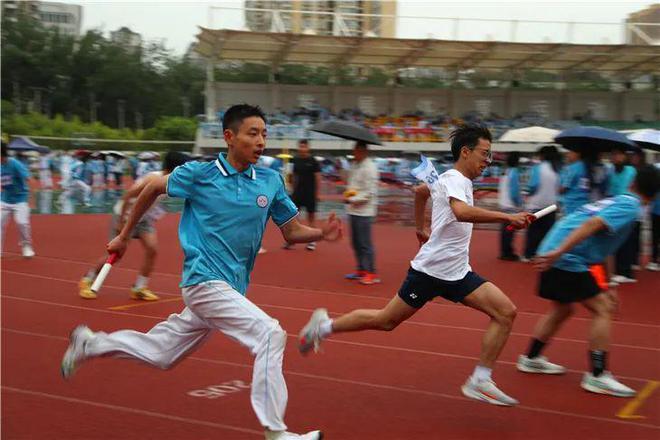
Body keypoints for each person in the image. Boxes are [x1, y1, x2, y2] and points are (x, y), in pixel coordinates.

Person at [61, 104, 340, 440]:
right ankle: (276, 432)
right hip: (204, 281)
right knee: (271, 334)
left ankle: (89, 344)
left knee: (162, 354)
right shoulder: (199, 174)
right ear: (229, 137)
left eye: (264, 134)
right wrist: (123, 235)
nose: (261, 141)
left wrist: (320, 233)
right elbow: (151, 187)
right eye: (253, 133)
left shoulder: (270, 180)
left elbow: (292, 231)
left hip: (230, 289)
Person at [299, 124, 532, 407]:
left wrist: (421, 226)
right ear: (466, 152)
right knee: (385, 321)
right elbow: (460, 212)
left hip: (457, 272)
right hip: (430, 272)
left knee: (506, 312)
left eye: (490, 156)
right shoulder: (455, 179)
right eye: (485, 154)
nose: (488, 161)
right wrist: (507, 218)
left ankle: (480, 379)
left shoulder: (451, 180)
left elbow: (421, 191)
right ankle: (323, 327)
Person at [517, 165, 659, 397]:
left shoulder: (620, 200)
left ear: (632, 184)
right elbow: (591, 225)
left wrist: (609, 284)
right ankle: (598, 375)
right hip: (564, 257)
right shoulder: (630, 207)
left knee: (562, 309)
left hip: (556, 251)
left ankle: (531, 358)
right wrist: (559, 253)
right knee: (602, 309)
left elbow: (605, 247)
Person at [78, 151, 190, 300]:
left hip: (143, 220)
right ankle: (88, 280)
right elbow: (128, 195)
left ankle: (139, 287)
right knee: (116, 254)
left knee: (152, 249)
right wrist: (121, 221)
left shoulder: (172, 181)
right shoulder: (153, 178)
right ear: (176, 167)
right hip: (125, 217)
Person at [344, 141, 380, 285]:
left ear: (363, 151)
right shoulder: (355, 165)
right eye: (353, 150)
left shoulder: (370, 168)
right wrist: (348, 195)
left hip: (365, 211)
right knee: (355, 242)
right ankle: (361, 269)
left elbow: (369, 192)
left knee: (365, 243)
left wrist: (352, 199)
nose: (354, 153)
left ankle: (371, 272)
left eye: (356, 150)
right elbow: (352, 185)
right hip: (353, 209)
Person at [523, 145, 560, 261]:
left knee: (534, 232)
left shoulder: (538, 168)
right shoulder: (558, 169)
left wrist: (527, 193)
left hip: (536, 205)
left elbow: (532, 185)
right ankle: (544, 254)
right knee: (548, 232)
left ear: (543, 155)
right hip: (552, 205)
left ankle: (529, 255)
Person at [608, 148, 639, 283]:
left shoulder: (630, 171)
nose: (615, 158)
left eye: (617, 155)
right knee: (618, 241)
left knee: (626, 240)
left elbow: (626, 191)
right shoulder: (612, 171)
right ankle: (620, 269)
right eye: (613, 155)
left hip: (627, 208)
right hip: (615, 208)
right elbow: (610, 190)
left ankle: (626, 272)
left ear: (624, 157)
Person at [283, 139, 321, 251]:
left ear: (308, 148)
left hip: (310, 193)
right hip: (297, 193)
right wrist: (291, 190)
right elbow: (292, 176)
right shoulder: (295, 160)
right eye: (300, 147)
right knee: (293, 218)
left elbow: (318, 177)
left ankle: (312, 242)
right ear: (298, 148)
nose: (302, 149)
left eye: (304, 147)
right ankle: (292, 241)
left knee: (311, 219)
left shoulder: (313, 161)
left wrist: (317, 193)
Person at [1, 141, 35, 258]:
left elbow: (30, 179)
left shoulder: (15, 164)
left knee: (22, 222)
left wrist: (31, 200)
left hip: (20, 199)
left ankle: (26, 246)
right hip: (5, 200)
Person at [559, 149, 608, 215]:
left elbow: (563, 189)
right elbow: (603, 188)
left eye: (571, 152)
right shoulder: (597, 167)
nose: (568, 155)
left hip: (571, 206)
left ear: (578, 154)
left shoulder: (572, 168)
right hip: (589, 205)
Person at [498, 151, 522, 261]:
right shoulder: (514, 172)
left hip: (503, 203)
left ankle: (504, 251)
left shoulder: (505, 171)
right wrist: (519, 204)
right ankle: (507, 252)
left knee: (505, 230)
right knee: (510, 230)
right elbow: (514, 191)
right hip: (511, 205)